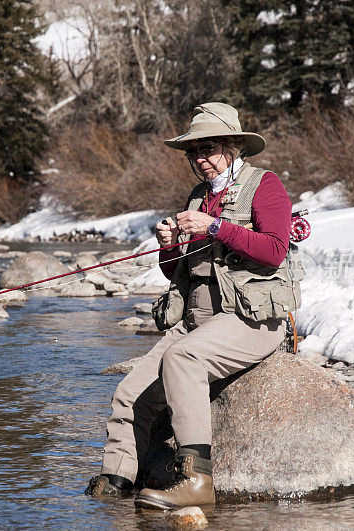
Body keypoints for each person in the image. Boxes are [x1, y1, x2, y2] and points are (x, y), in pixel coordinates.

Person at [85, 102, 303, 510]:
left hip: (249, 319)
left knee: (183, 358)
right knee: (129, 394)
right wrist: (168, 246)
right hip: (196, 319)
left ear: (234, 146)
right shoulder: (198, 197)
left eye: (209, 148)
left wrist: (217, 227)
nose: (201, 159)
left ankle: (198, 481)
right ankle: (117, 480)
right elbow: (177, 273)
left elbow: (274, 251)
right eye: (194, 152)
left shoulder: (266, 185)